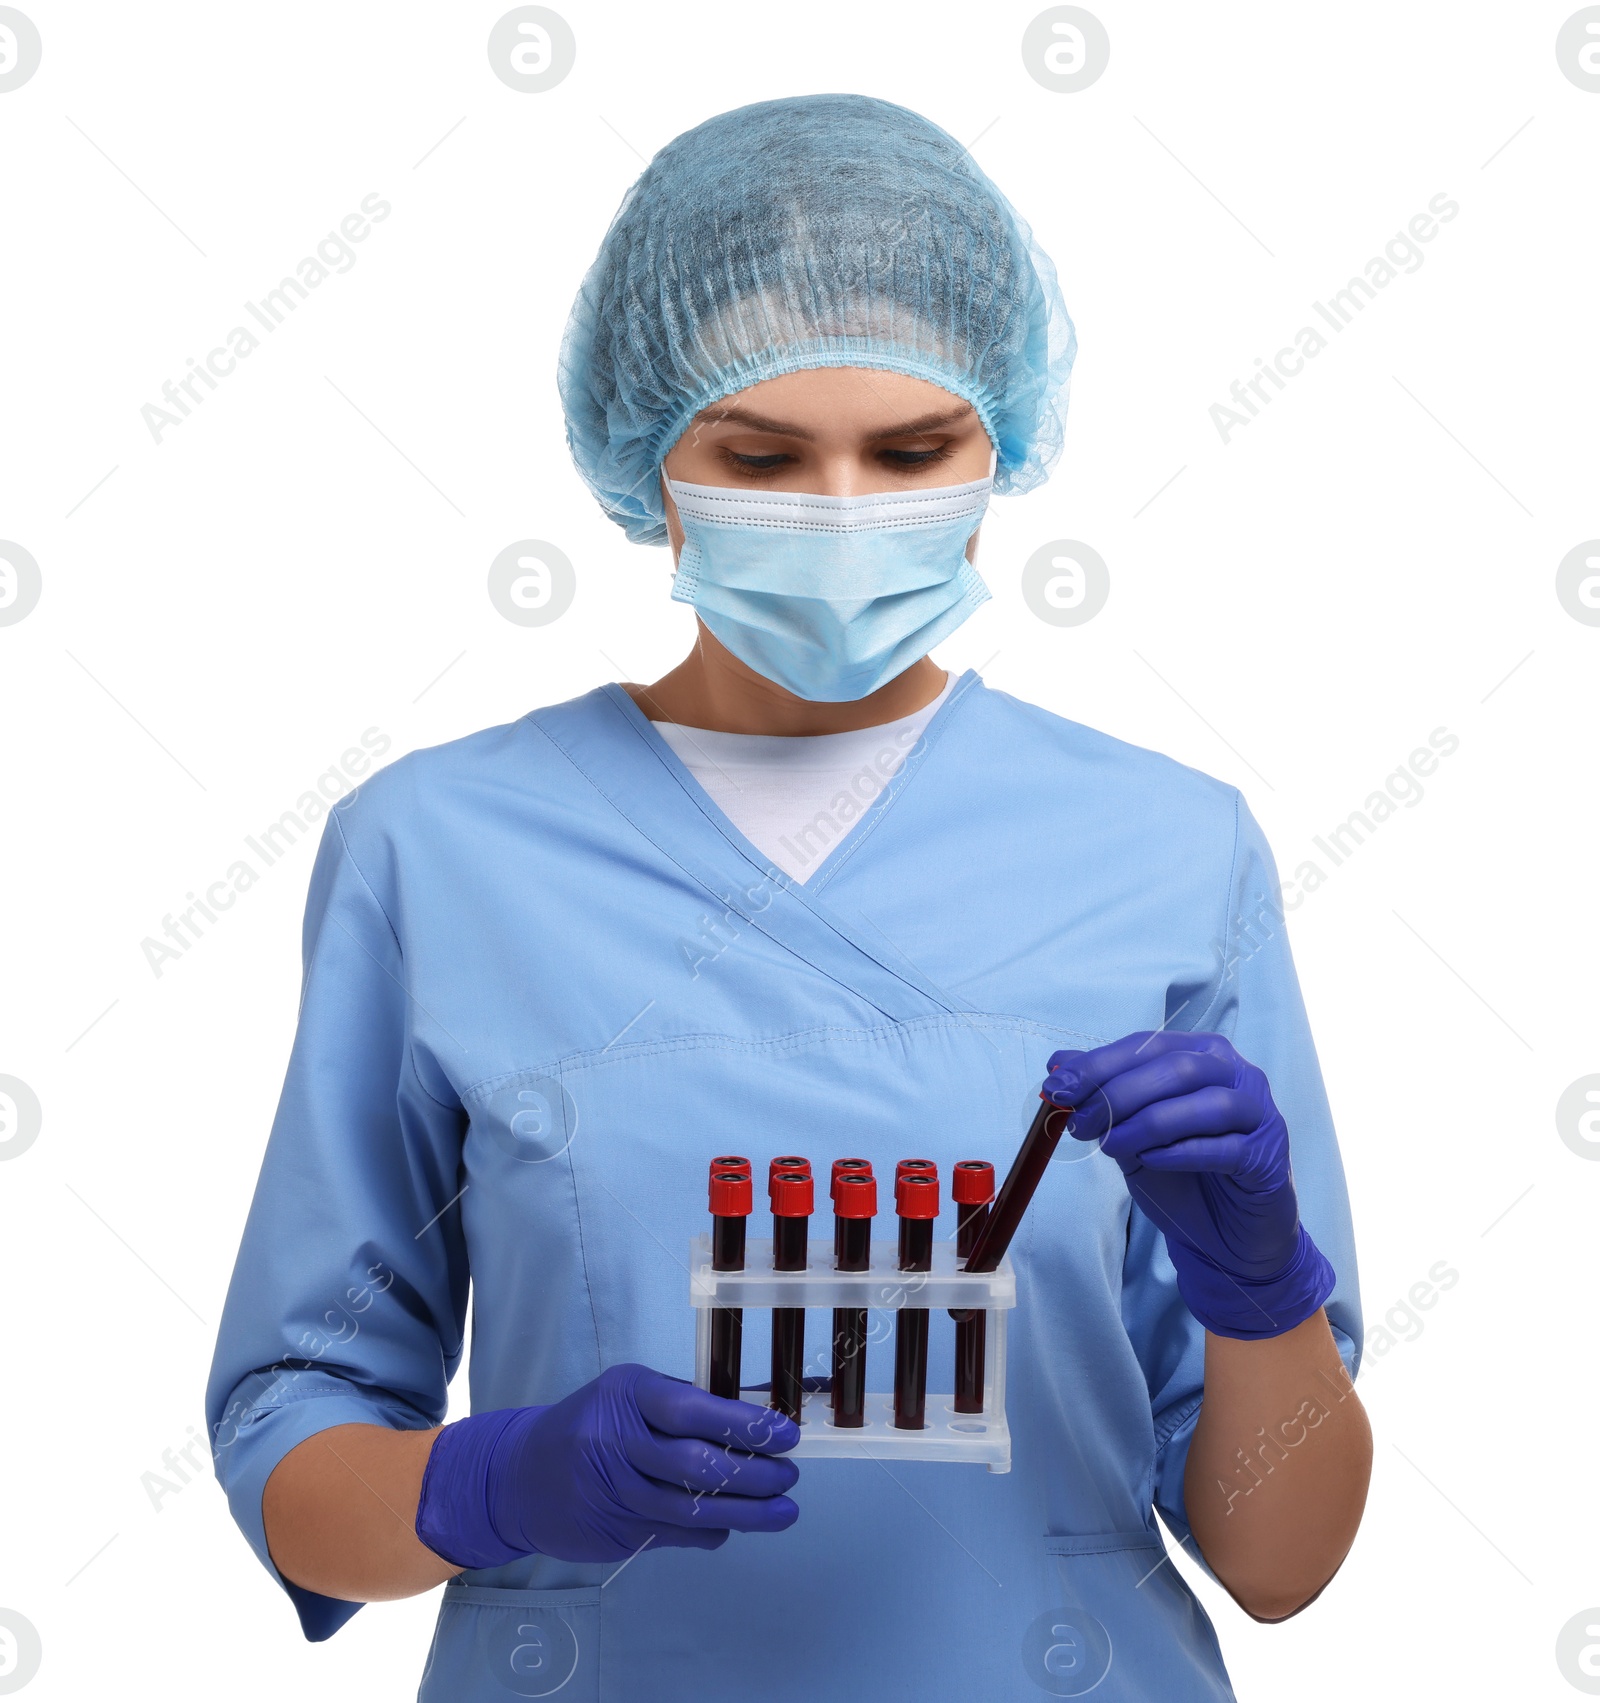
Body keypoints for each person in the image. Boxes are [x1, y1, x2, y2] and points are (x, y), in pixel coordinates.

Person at [206, 94, 1370, 1702]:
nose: (839, 513)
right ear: (646, 455)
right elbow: (297, 1434)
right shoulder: (441, 849)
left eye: (911, 453)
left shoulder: (1170, 848)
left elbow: (1281, 1563)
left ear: (1004, 448)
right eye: (758, 455)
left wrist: (1261, 1288)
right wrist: (493, 1484)